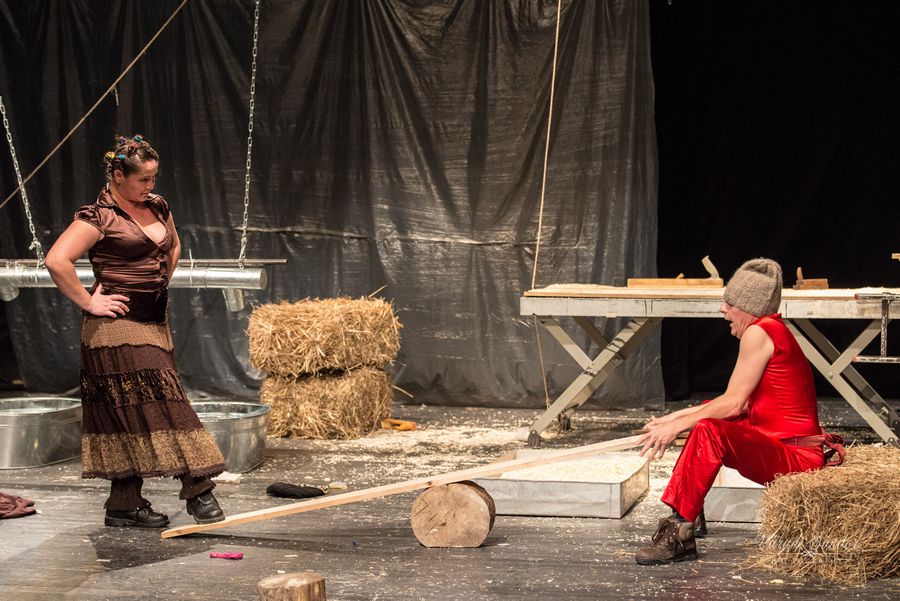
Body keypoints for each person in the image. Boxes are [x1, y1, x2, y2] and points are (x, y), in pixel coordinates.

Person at [45, 134, 227, 528]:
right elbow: (57, 260)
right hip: (114, 328)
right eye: (143, 179)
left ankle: (124, 503)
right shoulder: (98, 216)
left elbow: (172, 246)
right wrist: (89, 302)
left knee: (125, 408)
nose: (150, 186)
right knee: (164, 401)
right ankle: (198, 489)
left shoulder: (157, 205)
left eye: (153, 178)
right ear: (117, 176)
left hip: (153, 321)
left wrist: (157, 285)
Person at [634, 258, 844, 565]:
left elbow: (733, 404)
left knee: (709, 429)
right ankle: (691, 512)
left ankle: (681, 531)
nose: (723, 309)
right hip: (780, 442)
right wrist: (674, 419)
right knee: (707, 416)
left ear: (748, 307)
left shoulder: (760, 332)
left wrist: (677, 427)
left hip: (796, 456)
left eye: (730, 303)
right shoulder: (770, 329)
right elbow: (740, 404)